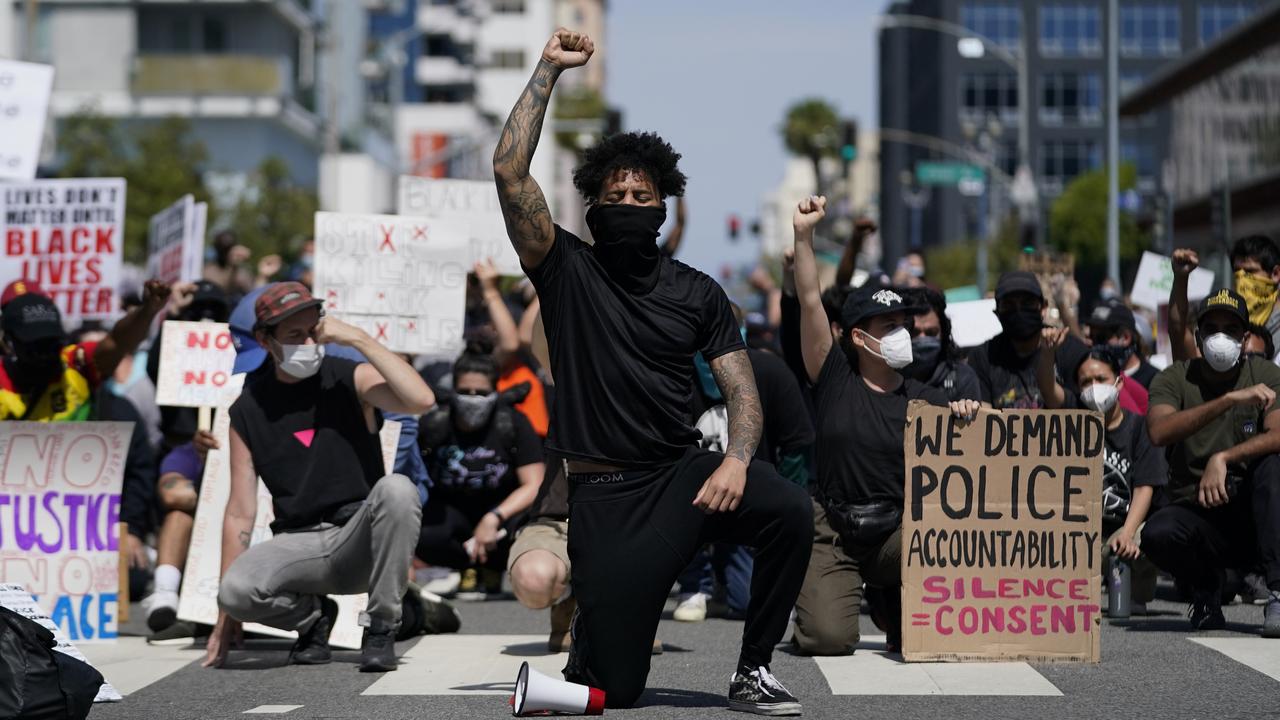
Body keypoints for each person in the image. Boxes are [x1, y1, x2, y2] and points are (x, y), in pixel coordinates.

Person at [492, 28, 813, 714]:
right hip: (604, 495)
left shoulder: (697, 290)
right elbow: (510, 174)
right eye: (617, 196)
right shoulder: (564, 269)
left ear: (664, 206)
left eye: (643, 197)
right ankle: (591, 644)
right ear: (591, 205)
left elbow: (741, 387)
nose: (630, 206)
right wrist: (548, 69)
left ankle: (753, 667)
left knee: (787, 509)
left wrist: (737, 459)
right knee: (618, 691)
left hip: (681, 475)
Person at [203, 282, 436, 672]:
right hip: (298, 545)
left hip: (359, 540)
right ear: (265, 340)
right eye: (294, 335)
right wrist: (226, 615)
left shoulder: (347, 376)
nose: (308, 342)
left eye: (313, 331)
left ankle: (380, 627)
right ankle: (312, 620)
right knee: (234, 591)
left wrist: (359, 338)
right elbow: (240, 511)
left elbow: (421, 400)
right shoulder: (246, 409)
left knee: (397, 489)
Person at [789, 195, 979, 656]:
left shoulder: (924, 398)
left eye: (905, 324)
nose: (903, 334)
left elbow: (996, 437)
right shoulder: (834, 376)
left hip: (896, 533)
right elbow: (811, 299)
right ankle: (823, 597)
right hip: (833, 527)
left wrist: (974, 412)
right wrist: (803, 235)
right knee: (828, 638)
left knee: (948, 540)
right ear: (857, 336)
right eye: (888, 325)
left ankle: (892, 597)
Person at [1143, 288, 1280, 637]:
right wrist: (1228, 400)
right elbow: (1159, 431)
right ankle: (1207, 587)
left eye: (1231, 329)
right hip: (1200, 514)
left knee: (1272, 467)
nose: (1222, 337)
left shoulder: (1265, 372)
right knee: (1157, 534)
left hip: (1255, 515)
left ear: (1245, 337)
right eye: (1212, 328)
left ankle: (1278, 589)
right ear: (1199, 336)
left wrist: (1225, 457)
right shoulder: (1175, 377)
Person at [675, 317, 815, 623]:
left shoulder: (771, 372)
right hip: (692, 499)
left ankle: (731, 574)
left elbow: (797, 445)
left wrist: (787, 505)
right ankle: (693, 583)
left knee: (749, 602)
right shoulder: (677, 376)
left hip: (746, 495)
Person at [416, 347, 544, 598]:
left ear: (496, 391)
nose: (472, 398)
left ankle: (494, 566)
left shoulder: (514, 423)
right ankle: (467, 566)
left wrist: (494, 517)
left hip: (502, 510)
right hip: (452, 510)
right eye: (464, 392)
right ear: (452, 390)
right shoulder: (435, 423)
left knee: (529, 524)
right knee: (423, 531)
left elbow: (534, 483)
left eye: (481, 393)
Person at [1073, 348, 1167, 615]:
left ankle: (1138, 588)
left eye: (1101, 379)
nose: (1094, 387)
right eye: (1085, 382)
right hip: (1086, 535)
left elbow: (1144, 487)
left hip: (1126, 526)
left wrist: (1127, 533)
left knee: (1147, 536)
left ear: (1119, 382)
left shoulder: (1140, 428)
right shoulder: (1073, 428)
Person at [969, 270, 1090, 409]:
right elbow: (983, 416)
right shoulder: (983, 357)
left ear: (1043, 308)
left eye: (1027, 303)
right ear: (997, 313)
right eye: (1009, 305)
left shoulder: (1070, 350)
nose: (1019, 311)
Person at [899, 286, 981, 402]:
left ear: (943, 333)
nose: (922, 338)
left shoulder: (962, 378)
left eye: (931, 332)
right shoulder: (887, 378)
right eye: (915, 332)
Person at [1087, 301, 1160, 389]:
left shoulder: (1155, 380)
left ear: (1125, 338)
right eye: (1091, 337)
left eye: (1101, 338)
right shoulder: (1089, 378)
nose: (1093, 344)